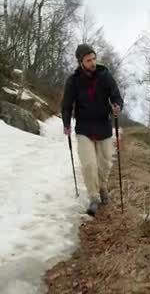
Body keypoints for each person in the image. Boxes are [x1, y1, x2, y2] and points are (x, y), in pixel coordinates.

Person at [61, 44, 124, 216]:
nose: (93, 62)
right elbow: (66, 105)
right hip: (84, 128)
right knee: (89, 164)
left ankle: (102, 187)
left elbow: (116, 95)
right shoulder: (73, 80)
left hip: (104, 126)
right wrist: (66, 123)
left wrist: (117, 106)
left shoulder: (105, 75)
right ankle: (94, 198)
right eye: (89, 60)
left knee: (105, 164)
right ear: (81, 61)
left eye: (94, 58)